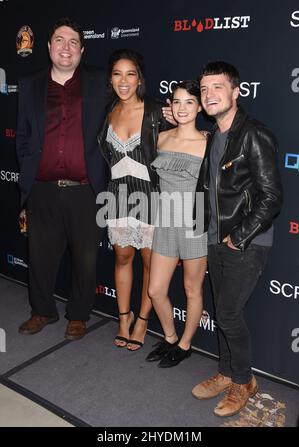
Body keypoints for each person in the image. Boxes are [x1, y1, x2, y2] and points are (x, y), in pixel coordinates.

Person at [191, 61, 283, 416]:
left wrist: (238, 237)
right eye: (204, 89)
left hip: (247, 241)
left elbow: (271, 197)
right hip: (217, 239)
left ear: (236, 92)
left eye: (217, 87)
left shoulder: (253, 134)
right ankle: (227, 372)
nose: (209, 94)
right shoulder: (215, 136)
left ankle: (244, 381)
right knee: (222, 311)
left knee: (228, 315)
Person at [16, 17, 108, 341]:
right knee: (39, 256)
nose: (65, 47)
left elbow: (133, 106)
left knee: (85, 259)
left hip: (86, 190)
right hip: (42, 189)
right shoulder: (30, 85)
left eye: (72, 42)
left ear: (81, 50)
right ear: (48, 47)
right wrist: (30, 164)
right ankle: (42, 310)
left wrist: (166, 115)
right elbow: (23, 135)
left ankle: (78, 315)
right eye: (59, 40)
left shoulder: (100, 82)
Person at [98, 49, 170, 351]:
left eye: (130, 74)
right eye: (117, 74)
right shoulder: (109, 111)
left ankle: (142, 320)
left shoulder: (156, 112)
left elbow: (176, 149)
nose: (123, 80)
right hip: (117, 197)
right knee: (122, 257)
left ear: (139, 78)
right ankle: (123, 318)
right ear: (111, 79)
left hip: (150, 197)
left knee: (149, 262)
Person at [145, 80, 208, 367]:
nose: (182, 108)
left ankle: (185, 344)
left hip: (195, 222)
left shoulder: (209, 142)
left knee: (192, 290)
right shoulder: (161, 138)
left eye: (189, 102)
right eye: (177, 101)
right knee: (155, 290)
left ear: (199, 107)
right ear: (170, 105)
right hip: (166, 220)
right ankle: (170, 337)